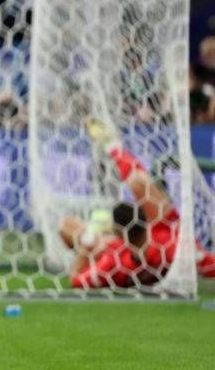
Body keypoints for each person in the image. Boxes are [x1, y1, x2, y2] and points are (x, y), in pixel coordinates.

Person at [61, 120, 215, 288]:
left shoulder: (114, 264)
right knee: (137, 181)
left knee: (66, 227)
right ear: (145, 220)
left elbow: (76, 280)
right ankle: (113, 147)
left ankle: (112, 146)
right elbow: (208, 265)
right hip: (158, 242)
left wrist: (87, 244)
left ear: (117, 232)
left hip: (119, 251)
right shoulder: (171, 243)